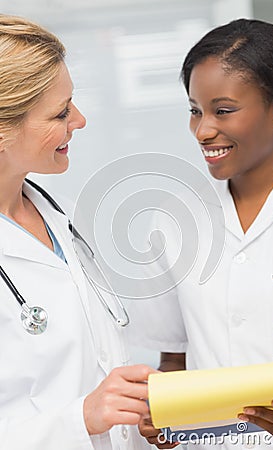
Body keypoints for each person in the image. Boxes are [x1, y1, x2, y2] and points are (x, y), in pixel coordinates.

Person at [130, 18, 273, 449]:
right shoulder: (175, 218)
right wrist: (161, 421)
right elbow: (173, 359)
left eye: (223, 110)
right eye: (195, 110)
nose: (203, 130)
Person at [0, 14, 156, 450]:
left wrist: (139, 418)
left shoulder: (53, 216)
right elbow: (80, 410)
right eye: (60, 112)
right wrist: (81, 419)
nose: (81, 119)